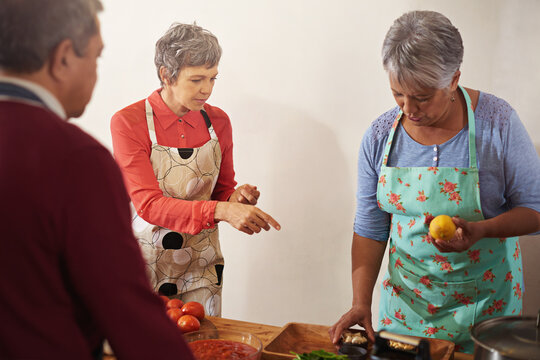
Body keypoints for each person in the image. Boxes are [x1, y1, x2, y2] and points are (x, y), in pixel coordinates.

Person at [329, 10, 540, 353]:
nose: (409, 108)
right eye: (398, 94)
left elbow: (535, 209)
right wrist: (360, 302)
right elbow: (371, 226)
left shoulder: (497, 124)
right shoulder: (381, 135)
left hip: (483, 314)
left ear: (454, 79)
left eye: (423, 97)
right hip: (405, 313)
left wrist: (480, 230)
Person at [0, 1, 195, 359]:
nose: (96, 73)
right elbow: (128, 316)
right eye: (96, 57)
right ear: (62, 59)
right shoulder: (74, 159)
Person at [110, 23, 281, 317]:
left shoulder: (218, 122)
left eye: (213, 78)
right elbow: (148, 205)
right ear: (167, 75)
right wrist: (222, 211)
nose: (207, 89)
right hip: (145, 266)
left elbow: (222, 189)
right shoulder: (129, 123)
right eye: (197, 79)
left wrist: (236, 199)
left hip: (202, 265)